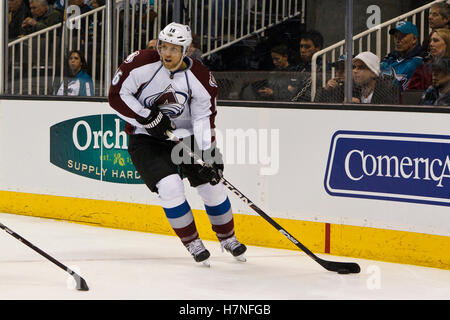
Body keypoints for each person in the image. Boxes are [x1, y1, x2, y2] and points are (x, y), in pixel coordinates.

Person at [108, 22, 247, 265]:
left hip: (184, 137)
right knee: (170, 187)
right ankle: (193, 242)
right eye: (163, 47)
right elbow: (117, 95)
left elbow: (203, 117)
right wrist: (147, 117)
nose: (167, 53)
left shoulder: (201, 77)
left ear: (187, 50)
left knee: (212, 186)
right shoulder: (141, 63)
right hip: (146, 139)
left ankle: (228, 238)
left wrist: (208, 152)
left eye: (174, 48)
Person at [315, 51, 399, 104]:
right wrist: (326, 90)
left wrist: (360, 108)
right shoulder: (350, 88)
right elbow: (318, 107)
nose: (355, 71)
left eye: (361, 67)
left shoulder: (388, 90)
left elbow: (386, 118)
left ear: (373, 73)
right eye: (354, 67)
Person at [380, 21, 423, 90]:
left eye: (402, 36)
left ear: (414, 39)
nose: (397, 40)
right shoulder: (390, 58)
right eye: (396, 36)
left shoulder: (420, 62)